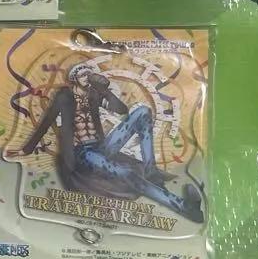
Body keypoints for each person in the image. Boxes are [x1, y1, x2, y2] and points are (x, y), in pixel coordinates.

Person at [18, 65, 204, 222]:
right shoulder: (64, 96)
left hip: (101, 147)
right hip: (82, 154)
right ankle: (185, 208)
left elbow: (121, 109)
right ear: (74, 78)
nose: (87, 77)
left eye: (89, 74)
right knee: (127, 173)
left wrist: (104, 91)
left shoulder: (93, 94)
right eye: (83, 75)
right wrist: (26, 149)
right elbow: (47, 121)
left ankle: (150, 169)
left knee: (143, 112)